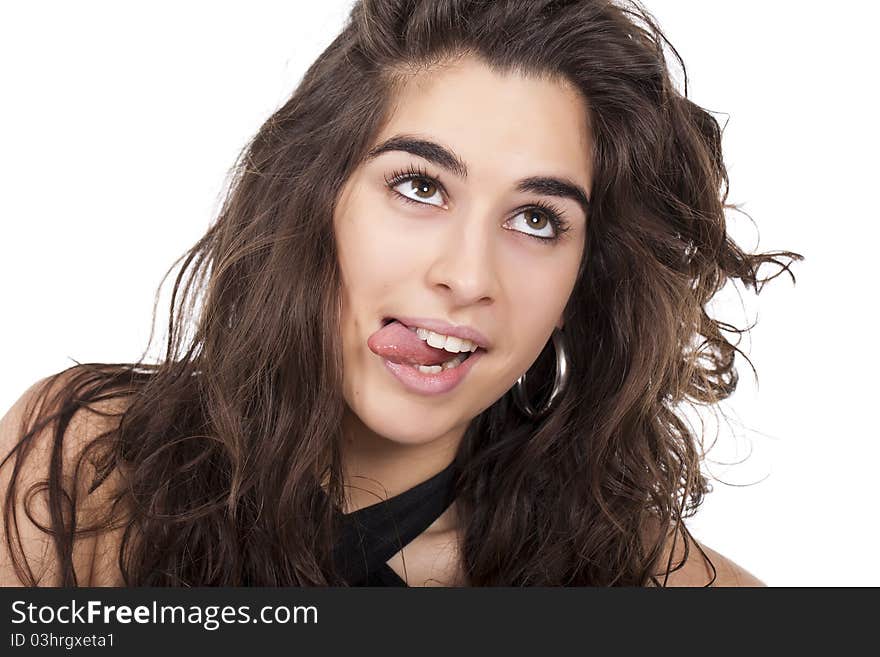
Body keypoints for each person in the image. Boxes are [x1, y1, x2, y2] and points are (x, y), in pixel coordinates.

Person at [0, 0, 800, 587]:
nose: (468, 276)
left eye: (535, 217)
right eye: (419, 185)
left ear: (584, 277)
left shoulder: (638, 574)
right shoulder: (90, 461)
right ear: (316, 196)